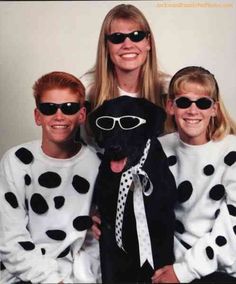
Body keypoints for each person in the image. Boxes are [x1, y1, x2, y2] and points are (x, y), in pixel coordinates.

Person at [0, 71, 101, 283]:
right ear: (38, 115)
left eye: (69, 108)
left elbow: (96, 239)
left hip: (79, 275)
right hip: (25, 275)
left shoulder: (97, 164)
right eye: (49, 108)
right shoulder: (17, 161)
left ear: (81, 115)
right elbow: (10, 241)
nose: (59, 115)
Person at [152, 66, 236, 283]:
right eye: (183, 102)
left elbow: (231, 231)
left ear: (214, 109)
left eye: (203, 103)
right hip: (168, 263)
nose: (192, 110)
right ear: (171, 106)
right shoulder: (157, 149)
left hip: (219, 268)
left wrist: (183, 272)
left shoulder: (231, 152)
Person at [80, 4, 169, 148]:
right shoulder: (86, 89)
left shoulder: (169, 90)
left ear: (148, 42)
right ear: (106, 46)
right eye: (117, 37)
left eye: (136, 36)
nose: (127, 45)